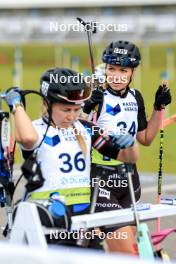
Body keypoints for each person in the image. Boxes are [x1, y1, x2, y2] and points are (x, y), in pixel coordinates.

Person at [4, 67, 138, 246]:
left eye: (77, 109)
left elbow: (129, 158)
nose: (72, 116)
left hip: (83, 220)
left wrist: (130, 144)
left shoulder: (85, 128)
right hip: (47, 220)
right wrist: (16, 105)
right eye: (66, 110)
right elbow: (27, 139)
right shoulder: (35, 129)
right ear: (46, 103)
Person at [83, 40, 172, 254]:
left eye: (122, 70)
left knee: (131, 250)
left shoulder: (135, 97)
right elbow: (74, 129)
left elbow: (146, 138)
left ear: (132, 72)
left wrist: (158, 107)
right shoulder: (96, 96)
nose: (115, 75)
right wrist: (86, 109)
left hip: (130, 179)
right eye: (111, 68)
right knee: (128, 254)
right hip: (100, 179)